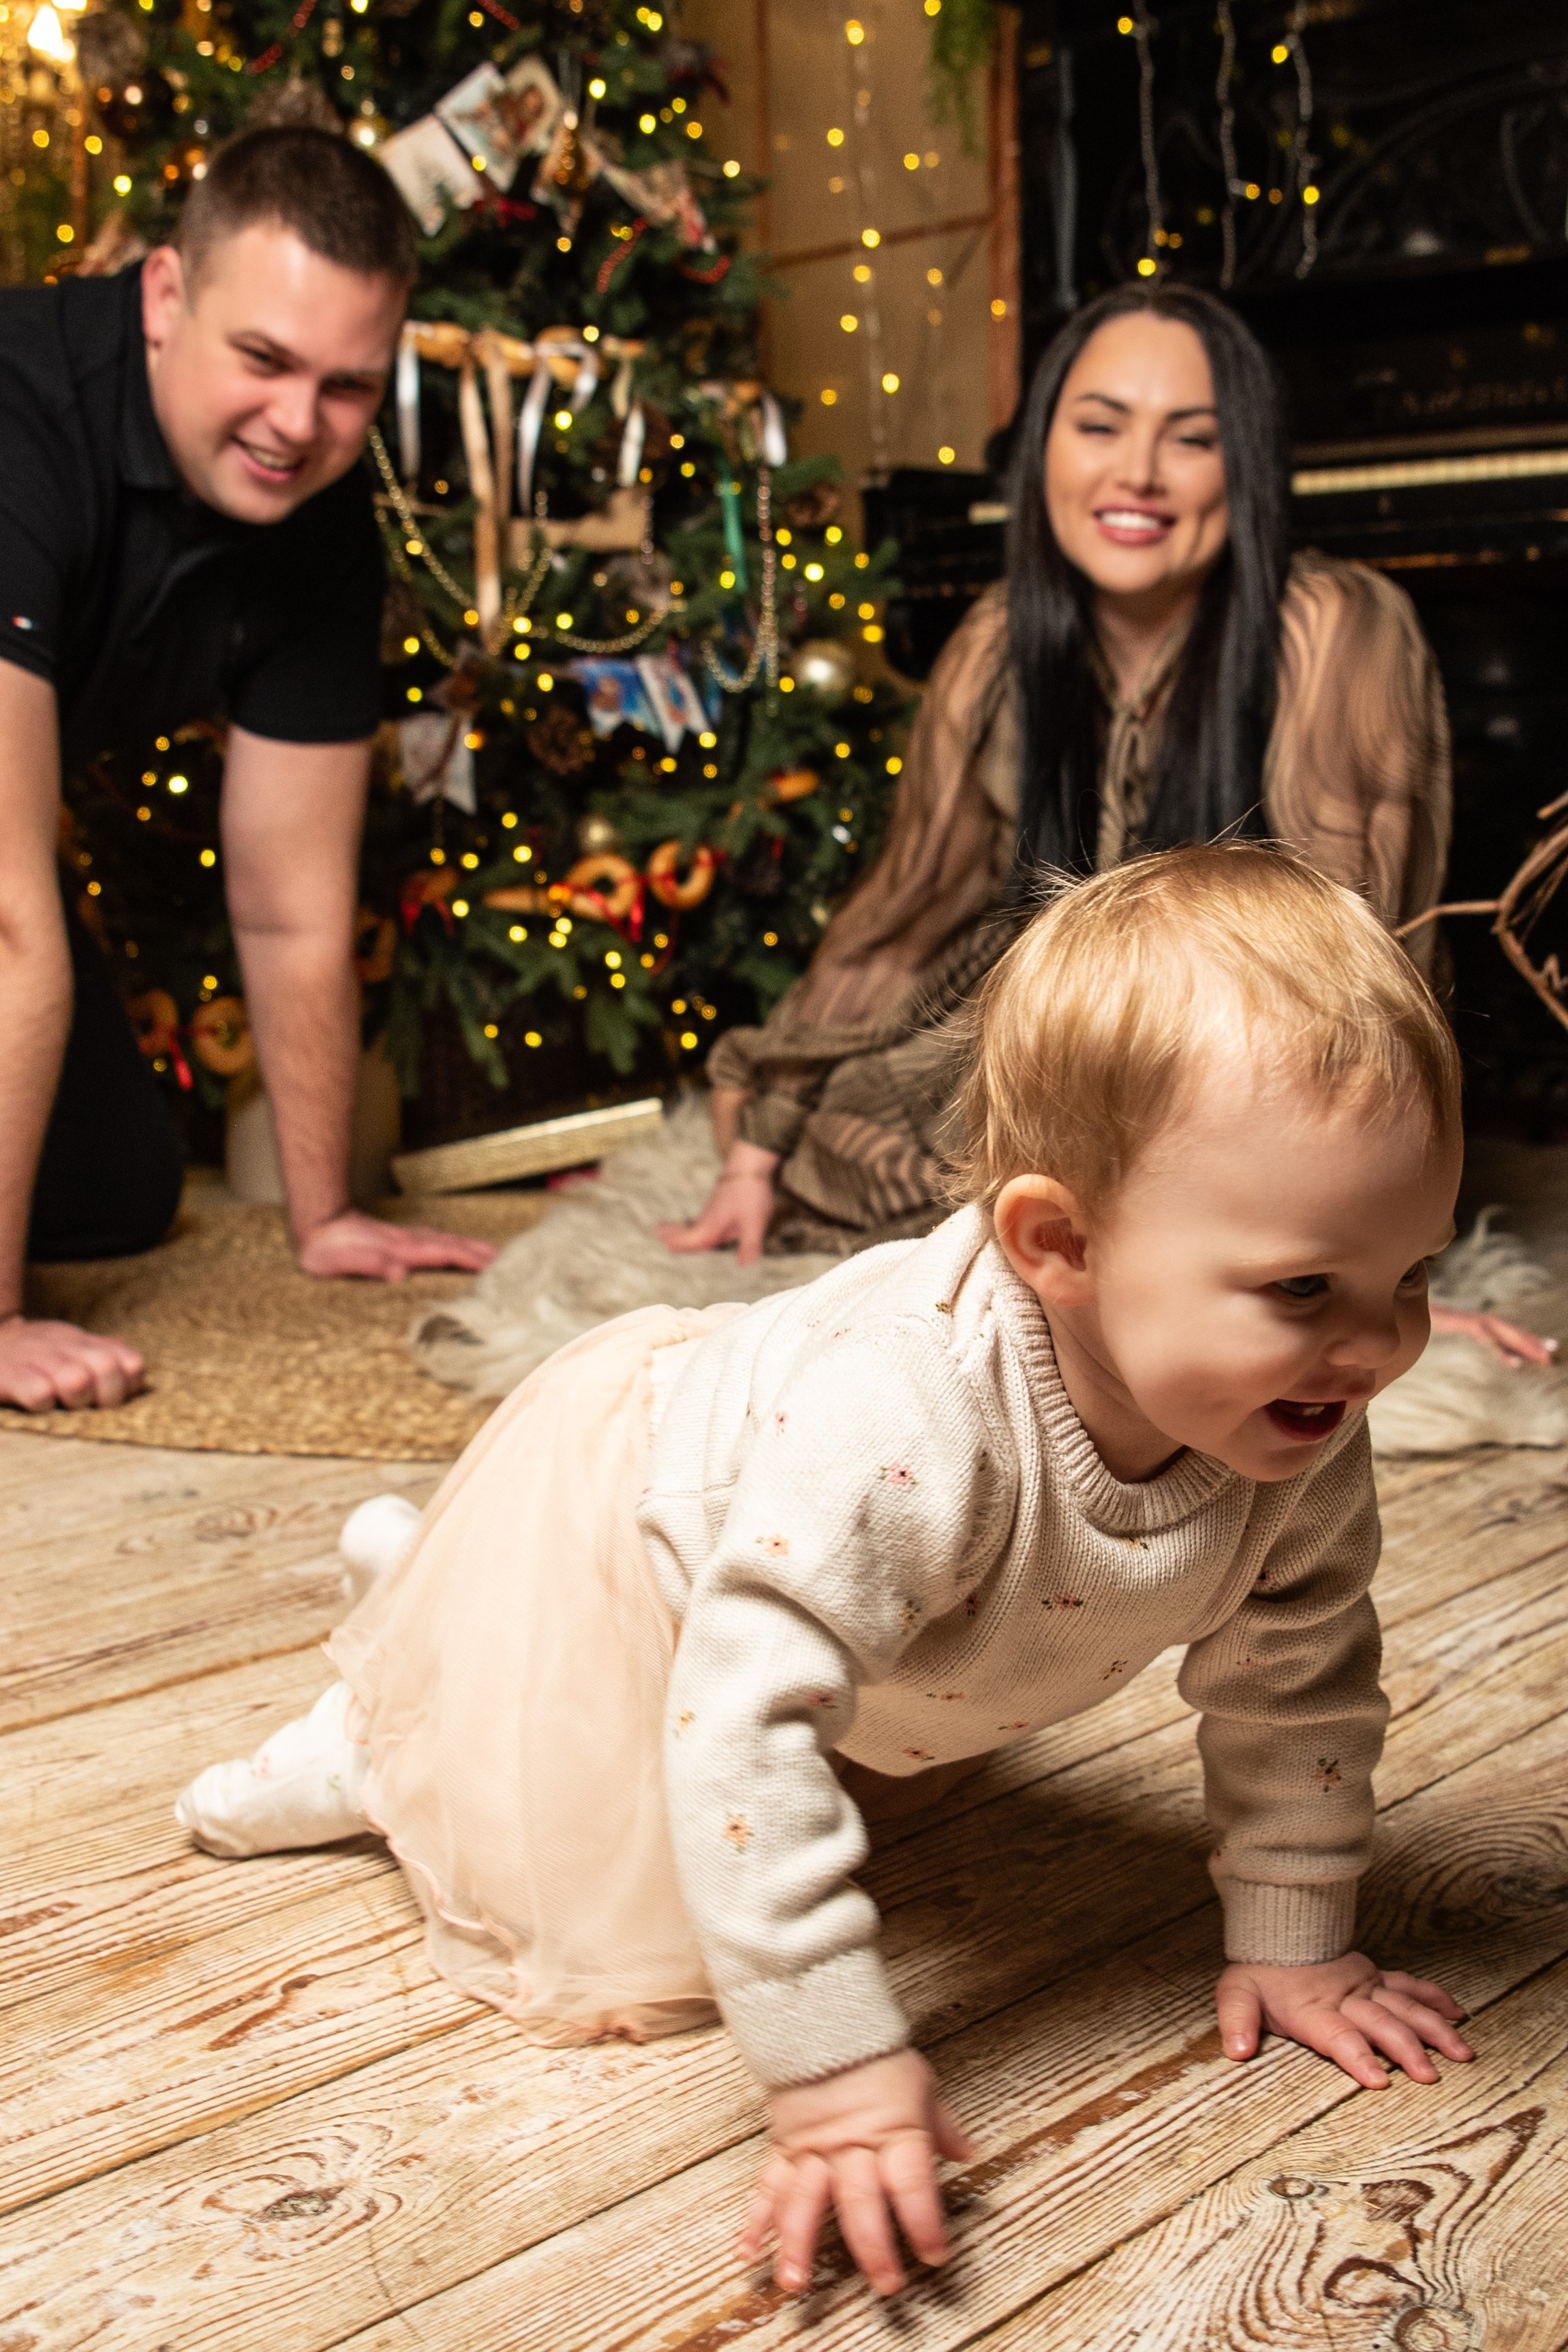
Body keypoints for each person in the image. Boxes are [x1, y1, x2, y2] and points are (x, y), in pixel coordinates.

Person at [176, 844, 1473, 2300]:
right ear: (1059, 1244)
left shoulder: (1295, 1423)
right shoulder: (906, 1413)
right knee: (623, 1885)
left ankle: (425, 1585)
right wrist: (838, 2073)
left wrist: (1294, 1941)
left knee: (791, 1736)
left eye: (1411, 1275)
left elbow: (1297, 1684)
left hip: (863, 1600)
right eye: (1303, 1287)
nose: (1373, 1348)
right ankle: (378, 1730)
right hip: (648, 1519)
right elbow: (740, 1721)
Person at [662, 284, 1550, 1377]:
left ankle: (1175, 1254)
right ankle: (1120, 1253)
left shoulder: (1331, 626)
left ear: (1248, 469)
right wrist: (757, 1151)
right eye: (1098, 427)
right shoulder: (998, 641)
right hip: (1053, 1018)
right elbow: (904, 916)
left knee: (1164, 1185)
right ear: (1044, 449)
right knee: (852, 1140)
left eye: (1192, 439)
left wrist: (1352, 1277)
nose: (1136, 473)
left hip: (1252, 1042)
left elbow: (1353, 958)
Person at [0, 124, 493, 1416]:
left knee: (110, 1193)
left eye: (347, 386)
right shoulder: (15, 414)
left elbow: (292, 899)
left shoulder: (322, 520)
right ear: (168, 296)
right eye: (264, 361)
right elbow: (4, 920)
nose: (298, 425)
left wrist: (322, 1212)